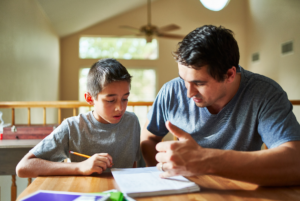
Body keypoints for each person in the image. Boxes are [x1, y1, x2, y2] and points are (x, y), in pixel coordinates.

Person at [141, 25, 300, 186]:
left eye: (199, 83)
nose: (188, 93)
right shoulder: (170, 91)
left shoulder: (265, 93)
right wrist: (162, 173)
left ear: (230, 74)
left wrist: (205, 161)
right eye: (183, 79)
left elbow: (295, 162)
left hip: (240, 190)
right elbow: (149, 138)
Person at [16, 58, 141, 177]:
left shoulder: (132, 121)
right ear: (90, 98)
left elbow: (134, 165)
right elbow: (23, 167)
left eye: (125, 98)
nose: (120, 107)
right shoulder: (73, 126)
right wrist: (80, 167)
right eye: (111, 100)